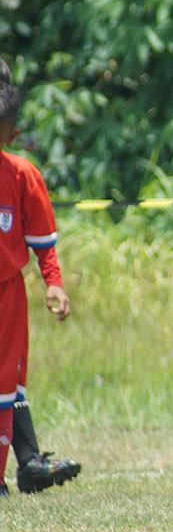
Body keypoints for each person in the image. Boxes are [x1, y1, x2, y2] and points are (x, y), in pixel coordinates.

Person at [0, 65, 82, 497]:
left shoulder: (20, 175)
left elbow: (42, 241)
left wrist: (54, 281)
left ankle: (28, 463)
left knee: (8, 379)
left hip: (8, 292)